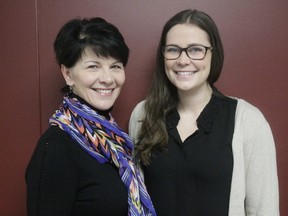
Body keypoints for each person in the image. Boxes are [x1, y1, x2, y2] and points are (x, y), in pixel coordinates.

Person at [129, 9, 279, 216]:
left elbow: (264, 209)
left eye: (196, 49)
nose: (183, 60)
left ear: (213, 53)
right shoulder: (142, 114)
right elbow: (135, 201)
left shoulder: (248, 120)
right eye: (173, 50)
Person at [25, 17, 156, 216]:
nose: (107, 79)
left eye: (115, 66)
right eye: (93, 66)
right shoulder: (56, 146)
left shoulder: (116, 141)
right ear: (67, 74)